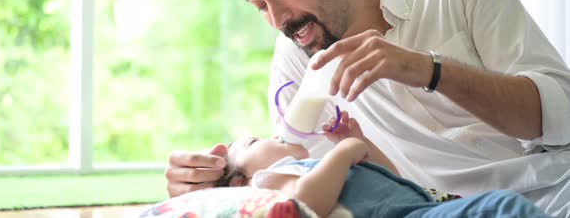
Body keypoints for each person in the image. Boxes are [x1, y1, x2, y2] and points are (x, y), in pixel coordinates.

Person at [165, 0, 570, 216]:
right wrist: (210, 184)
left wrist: (427, 69)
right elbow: (315, 191)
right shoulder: (294, 60)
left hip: (554, 196)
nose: (277, 19)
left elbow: (560, 118)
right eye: (258, 6)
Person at [217, 111, 551, 218]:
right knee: (501, 207)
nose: (270, 137)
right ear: (238, 182)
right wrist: (345, 151)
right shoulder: (265, 182)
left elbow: (394, 182)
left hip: (416, 207)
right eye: (253, 142)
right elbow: (306, 202)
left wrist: (357, 141)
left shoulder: (316, 167)